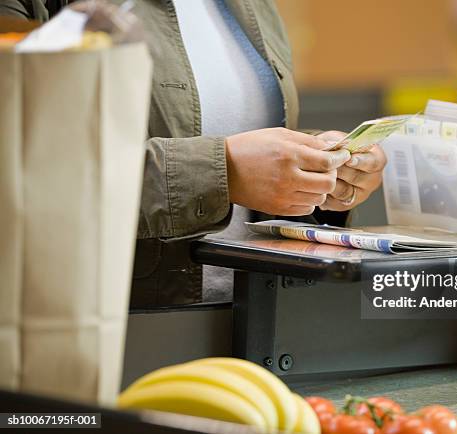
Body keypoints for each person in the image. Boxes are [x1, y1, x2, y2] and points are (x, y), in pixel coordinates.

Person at [0, 0, 388, 307]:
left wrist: (320, 169)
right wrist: (223, 172)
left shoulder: (250, 7)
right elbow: (22, 167)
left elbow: (238, 139)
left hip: (256, 323)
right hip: (111, 328)